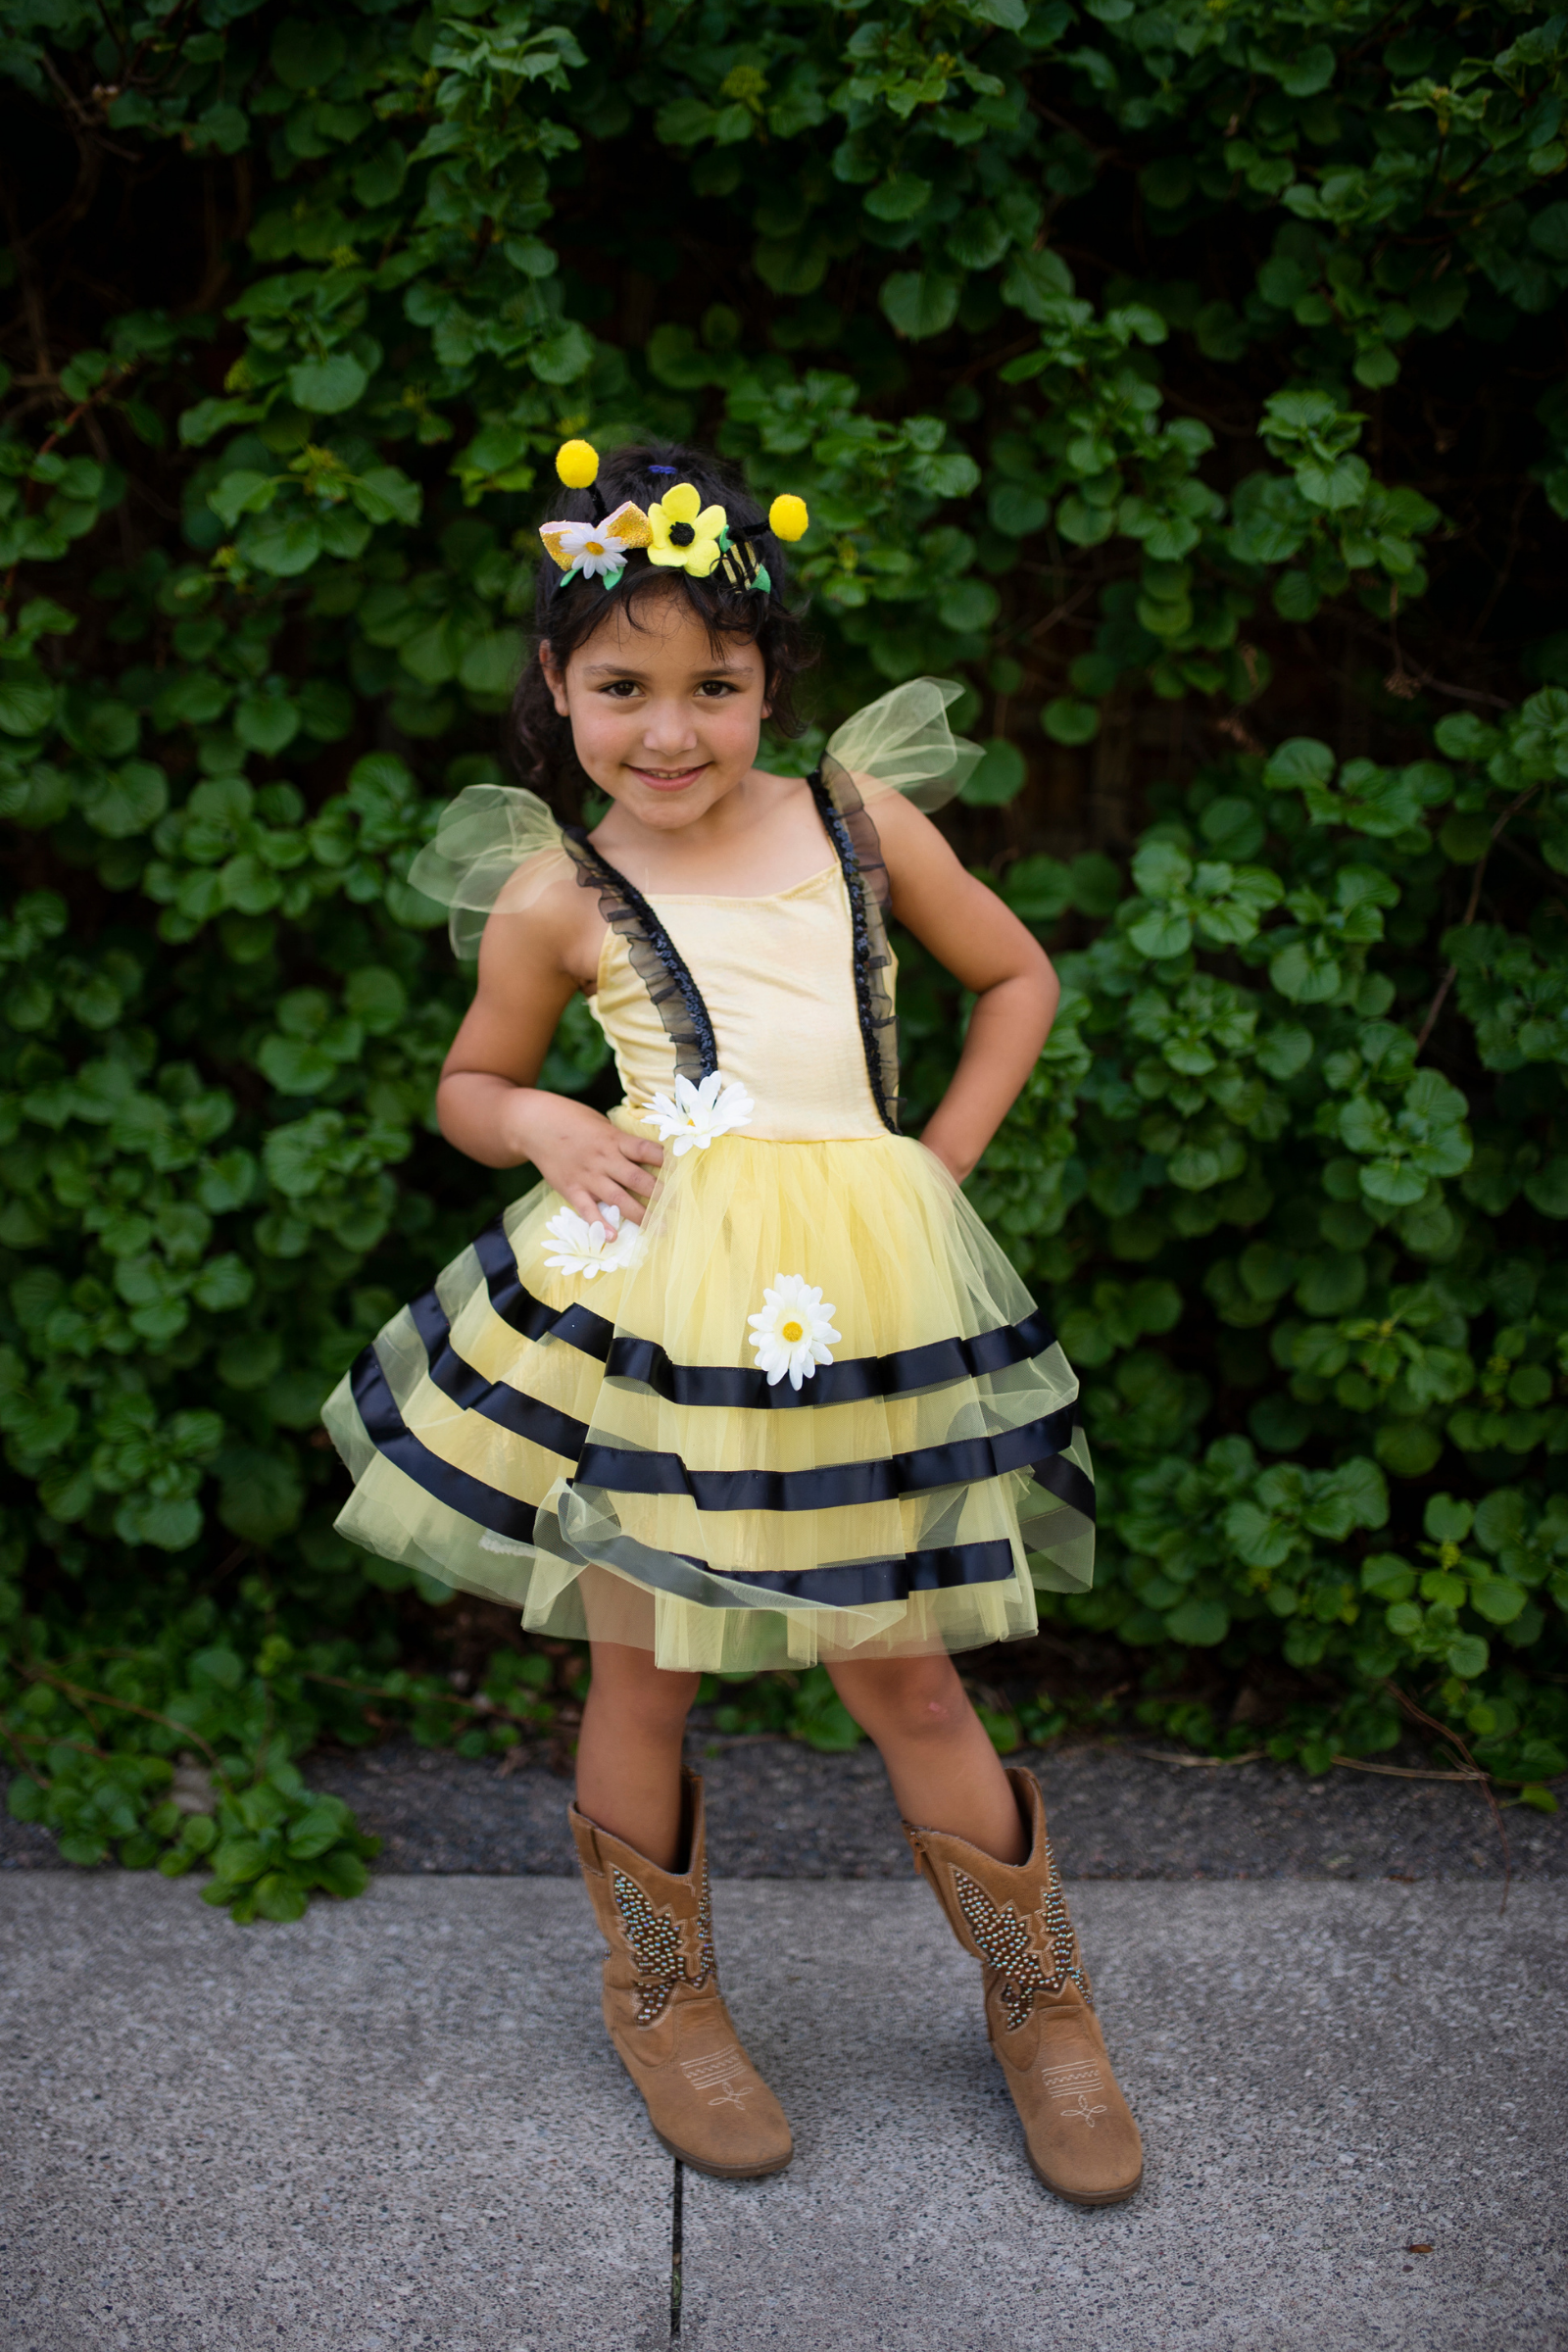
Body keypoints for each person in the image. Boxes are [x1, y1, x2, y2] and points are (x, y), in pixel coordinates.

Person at [322, 438, 1143, 2207]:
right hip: (651, 1314)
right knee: (648, 1661)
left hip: (853, 1303)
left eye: (718, 686)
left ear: (774, 683)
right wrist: (536, 1119)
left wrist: (930, 1167)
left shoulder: (855, 823)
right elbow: (473, 1080)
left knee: (910, 1668)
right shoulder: (559, 892)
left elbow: (1017, 975)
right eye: (623, 688)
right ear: (558, 686)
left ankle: (1040, 2001)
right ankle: (663, 1992)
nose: (672, 731)